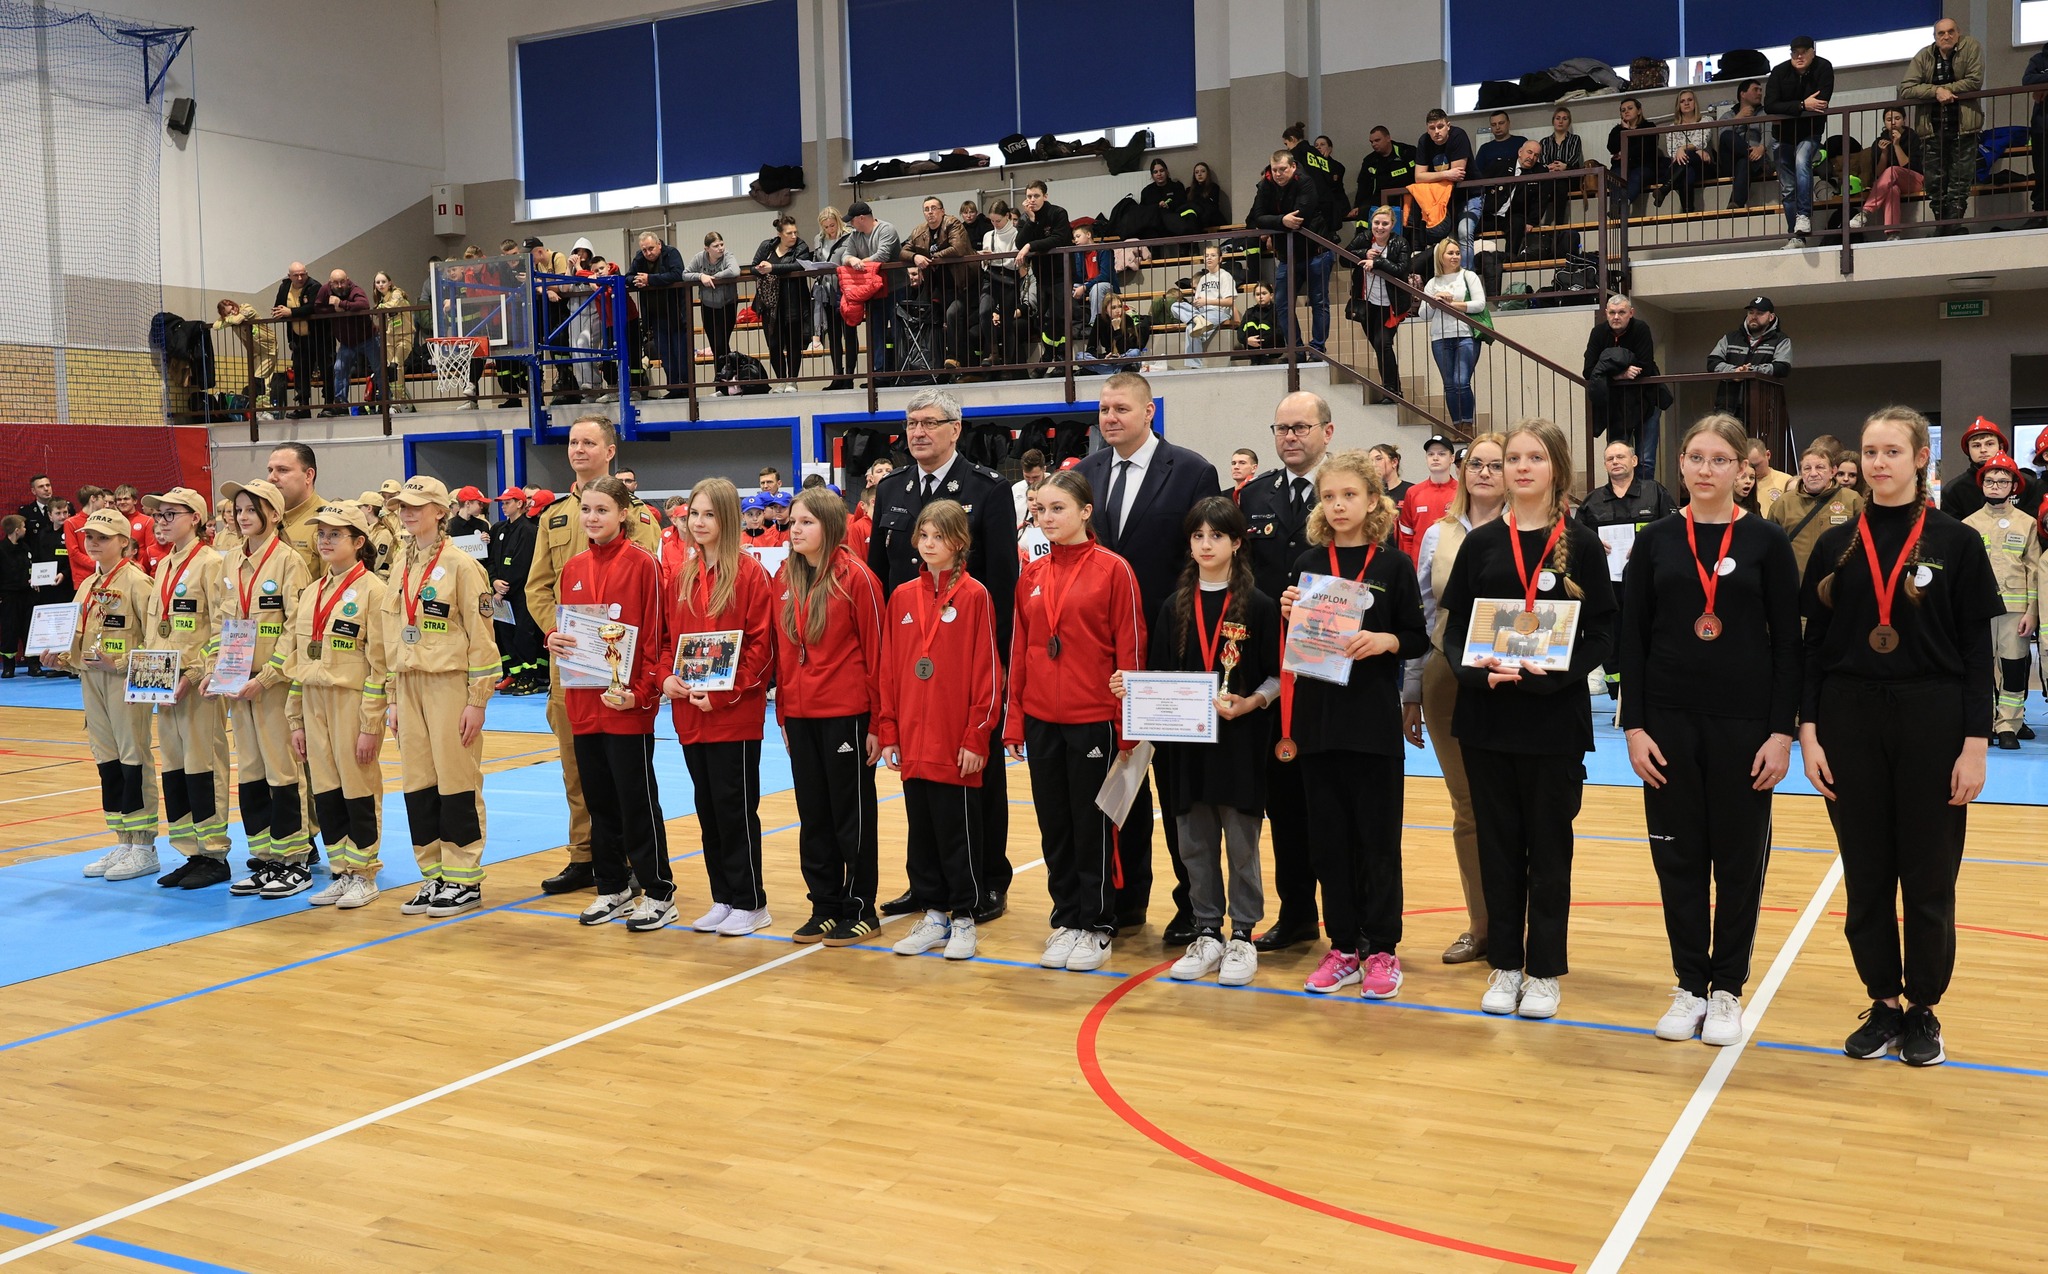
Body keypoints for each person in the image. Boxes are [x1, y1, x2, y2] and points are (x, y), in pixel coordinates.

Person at [1799, 406, 2001, 1067]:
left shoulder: (1956, 541)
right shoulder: (1836, 543)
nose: (1879, 462)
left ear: (1921, 459)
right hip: (1848, 718)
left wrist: (1975, 743)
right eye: (1870, 451)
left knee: (1929, 875)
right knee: (1866, 873)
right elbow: (1813, 648)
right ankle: (1883, 1001)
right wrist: (1809, 732)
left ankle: (1923, 1009)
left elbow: (1976, 652)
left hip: (1932, 718)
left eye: (1892, 451)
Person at [1619, 414, 1801, 1045]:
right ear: (1680, 465)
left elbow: (1789, 645)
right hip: (1668, 724)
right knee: (1679, 859)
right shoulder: (1656, 541)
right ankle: (1689, 985)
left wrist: (1781, 732)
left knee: (1739, 861)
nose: (1705, 469)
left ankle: (1726, 990)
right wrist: (1635, 726)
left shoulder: (1766, 542)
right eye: (1696, 457)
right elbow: (1632, 639)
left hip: (1745, 727)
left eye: (1720, 459)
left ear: (1742, 470)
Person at [1438, 418, 1618, 1020]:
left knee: (1548, 849)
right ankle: (1506, 966)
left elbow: (1604, 633)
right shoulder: (1481, 544)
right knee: (1497, 847)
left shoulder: (1582, 543)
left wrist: (1558, 676)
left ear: (1556, 469)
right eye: (1512, 457)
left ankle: (1542, 971)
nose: (1520, 467)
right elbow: (1454, 632)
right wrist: (1476, 672)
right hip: (1488, 718)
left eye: (1534, 458)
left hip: (1552, 721)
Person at [1073, 371, 1223, 940]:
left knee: (1177, 788)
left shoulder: (1191, 471)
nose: (1110, 418)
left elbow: (1201, 560)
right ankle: (1125, 899)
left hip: (1171, 653)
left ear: (1148, 411)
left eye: (1121, 408)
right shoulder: (1086, 473)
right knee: (1121, 782)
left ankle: (1193, 905)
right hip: (1102, 657)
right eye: (1103, 409)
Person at [865, 392, 1018, 922]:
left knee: (980, 776)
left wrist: (997, 667)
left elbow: (1002, 582)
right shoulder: (892, 488)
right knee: (921, 781)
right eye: (911, 423)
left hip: (967, 660)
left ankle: (987, 878)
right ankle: (926, 882)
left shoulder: (987, 488)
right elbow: (880, 577)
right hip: (910, 654)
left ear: (956, 428)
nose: (918, 431)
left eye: (930, 422)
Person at [1280, 453, 1427, 996]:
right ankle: (1342, 946)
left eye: (1349, 495)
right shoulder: (1307, 563)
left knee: (1378, 843)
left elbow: (1416, 636)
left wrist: (1386, 641)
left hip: (1372, 725)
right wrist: (1287, 610)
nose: (1338, 505)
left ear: (1372, 500)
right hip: (1317, 723)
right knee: (1329, 844)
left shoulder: (1393, 566)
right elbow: (1293, 643)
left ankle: (1383, 949)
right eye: (1328, 497)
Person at [1122, 497, 1278, 985]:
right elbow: (1158, 677)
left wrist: (1251, 702)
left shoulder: (1260, 605)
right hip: (1186, 750)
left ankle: (1243, 935)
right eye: (1197, 536)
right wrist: (1132, 688)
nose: (1206, 545)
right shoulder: (1174, 606)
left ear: (1237, 543)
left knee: (1242, 846)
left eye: (1216, 536)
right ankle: (1207, 929)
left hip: (1241, 744)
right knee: (1194, 844)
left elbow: (1278, 675)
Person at [1004, 469, 1145, 972]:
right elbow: (1021, 651)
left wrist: (1128, 726)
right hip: (1042, 719)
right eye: (1040, 509)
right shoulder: (1032, 574)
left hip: (1095, 719)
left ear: (1086, 511)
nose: (1047, 518)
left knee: (1092, 824)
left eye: (1058, 508)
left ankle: (1097, 922)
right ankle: (1066, 916)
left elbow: (1131, 649)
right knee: (1054, 824)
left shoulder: (1114, 570)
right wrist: (1015, 721)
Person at [522, 415, 662, 893]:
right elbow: (538, 587)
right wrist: (554, 633)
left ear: (610, 451)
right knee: (577, 768)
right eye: (573, 442)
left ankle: (633, 860)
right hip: (571, 665)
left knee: (626, 773)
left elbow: (649, 591)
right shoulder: (554, 517)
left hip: (622, 664)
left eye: (588, 442)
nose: (578, 449)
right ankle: (588, 856)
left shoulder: (641, 518)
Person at [876, 499, 1001, 961]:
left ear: (960, 543)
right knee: (922, 831)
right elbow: (889, 668)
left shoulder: (975, 596)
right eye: (924, 536)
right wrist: (889, 730)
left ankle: (965, 917)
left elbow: (988, 671)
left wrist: (976, 735)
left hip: (955, 741)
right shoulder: (902, 597)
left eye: (939, 537)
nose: (929, 545)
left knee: (958, 833)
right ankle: (934, 914)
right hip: (913, 738)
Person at [552, 477, 673, 933]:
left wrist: (641, 693)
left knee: (637, 802)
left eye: (602, 510)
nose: (592, 517)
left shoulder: (644, 565)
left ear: (623, 514)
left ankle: (658, 891)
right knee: (599, 802)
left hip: (627, 707)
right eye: (586, 509)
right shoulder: (573, 567)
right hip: (584, 704)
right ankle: (612, 886)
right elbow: (570, 631)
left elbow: (658, 635)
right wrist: (554, 639)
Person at [1405, 434, 1507, 963]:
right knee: (1467, 807)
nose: (1484, 472)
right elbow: (1424, 616)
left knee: (1513, 806)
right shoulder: (1437, 534)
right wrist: (1412, 689)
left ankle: (1520, 924)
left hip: (1516, 678)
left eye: (1496, 464)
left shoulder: (1534, 530)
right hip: (1447, 675)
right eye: (1476, 464)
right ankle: (1481, 924)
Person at [1239, 391, 1334, 952]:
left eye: (1301, 427)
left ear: (1327, 431)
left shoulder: (1347, 490)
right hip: (1272, 675)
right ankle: (1296, 913)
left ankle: (1349, 920)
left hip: (1332, 672)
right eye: (1282, 428)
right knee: (1284, 803)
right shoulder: (1255, 495)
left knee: (1332, 803)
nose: (1291, 436)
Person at [660, 478, 776, 936]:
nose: (700, 522)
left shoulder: (750, 574)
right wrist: (666, 677)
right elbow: (666, 640)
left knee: (735, 809)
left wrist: (726, 694)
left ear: (727, 519)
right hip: (691, 713)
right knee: (707, 809)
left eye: (709, 514)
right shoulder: (681, 576)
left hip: (733, 716)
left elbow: (762, 648)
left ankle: (751, 901)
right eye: (694, 513)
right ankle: (723, 897)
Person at [383, 476, 499, 918]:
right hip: (408, 683)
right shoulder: (401, 564)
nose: (407, 513)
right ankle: (433, 874)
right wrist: (392, 696)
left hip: (449, 684)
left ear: (440, 511)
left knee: (456, 781)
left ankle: (463, 877)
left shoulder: (462, 565)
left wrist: (477, 700)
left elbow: (482, 637)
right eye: (402, 506)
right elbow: (392, 633)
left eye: (416, 506)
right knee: (418, 783)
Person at [776, 487, 886, 946]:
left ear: (831, 525)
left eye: (807, 522)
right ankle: (824, 905)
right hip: (801, 716)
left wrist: (879, 724)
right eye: (793, 522)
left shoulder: (858, 577)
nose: (795, 530)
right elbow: (784, 653)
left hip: (847, 715)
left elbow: (879, 656)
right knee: (814, 814)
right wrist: (784, 715)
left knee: (850, 815)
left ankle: (860, 908)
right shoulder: (785, 575)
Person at [285, 501, 390, 909]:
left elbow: (380, 664)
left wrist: (370, 725)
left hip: (351, 701)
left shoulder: (374, 592)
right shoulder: (311, 592)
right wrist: (295, 719)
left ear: (359, 541)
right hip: (313, 701)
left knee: (358, 788)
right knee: (326, 789)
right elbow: (299, 659)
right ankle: (341, 869)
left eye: (335, 534)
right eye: (321, 534)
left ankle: (364, 872)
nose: (325, 541)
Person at [211, 479, 313, 896]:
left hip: (273, 686)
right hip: (239, 687)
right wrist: (219, 670)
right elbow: (221, 622)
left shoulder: (289, 562)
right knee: (252, 773)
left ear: (273, 514)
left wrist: (266, 676)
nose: (243, 516)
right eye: (238, 510)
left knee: (282, 771)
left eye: (252, 509)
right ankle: (266, 857)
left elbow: (295, 627)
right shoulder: (230, 561)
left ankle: (296, 860)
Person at [46, 509, 160, 879]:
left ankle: (144, 845)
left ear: (124, 542)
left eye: (103, 537)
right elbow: (80, 638)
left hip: (124, 682)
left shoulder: (138, 583)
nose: (93, 543)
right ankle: (123, 839)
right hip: (91, 681)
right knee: (106, 759)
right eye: (89, 536)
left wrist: (122, 663)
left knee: (132, 758)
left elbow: (156, 640)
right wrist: (61, 659)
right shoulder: (87, 585)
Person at [133, 489, 229, 884]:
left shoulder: (212, 563)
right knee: (175, 771)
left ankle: (214, 854)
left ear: (195, 518)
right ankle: (190, 852)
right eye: (158, 515)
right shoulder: (163, 565)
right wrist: (145, 680)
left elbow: (222, 628)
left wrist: (195, 674)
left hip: (197, 686)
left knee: (204, 768)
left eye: (171, 514)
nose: (161, 521)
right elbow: (157, 631)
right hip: (164, 687)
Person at [1579, 438, 1677, 697]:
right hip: (1608, 588)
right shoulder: (1592, 501)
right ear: (1605, 465)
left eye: (1621, 457)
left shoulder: (1655, 493)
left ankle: (1649, 695)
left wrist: (1648, 546)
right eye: (1610, 458)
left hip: (1648, 585)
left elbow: (1674, 533)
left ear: (1634, 461)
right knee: (1613, 643)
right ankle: (1619, 698)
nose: (1615, 462)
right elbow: (1576, 541)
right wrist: (1593, 544)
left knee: (1649, 638)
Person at [1959, 454, 2037, 749]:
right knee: (1980, 669)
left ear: (2013, 486)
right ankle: (1985, 721)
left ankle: (2008, 725)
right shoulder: (1968, 525)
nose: (1995, 486)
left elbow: (2033, 571)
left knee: (2014, 668)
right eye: (1990, 481)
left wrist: (2032, 612)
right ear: (1981, 485)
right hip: (1979, 611)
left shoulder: (2027, 524)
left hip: (2016, 612)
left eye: (2003, 481)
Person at [1899, 18, 1984, 235]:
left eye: (1950, 32)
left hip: (1963, 127)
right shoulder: (1924, 56)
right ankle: (1942, 226)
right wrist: (1936, 92)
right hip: (1931, 129)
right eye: (1941, 33)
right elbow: (1906, 88)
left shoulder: (1971, 47)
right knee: (1934, 183)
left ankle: (1953, 226)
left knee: (1960, 180)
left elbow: (1975, 81)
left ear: (1958, 33)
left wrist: (1944, 89)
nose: (1946, 36)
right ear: (1935, 37)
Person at [1248, 149, 1332, 355]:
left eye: (1283, 169)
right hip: (1287, 256)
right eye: (1274, 169)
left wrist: (1274, 222)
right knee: (1282, 304)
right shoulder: (1265, 185)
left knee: (1319, 303)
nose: (1278, 174)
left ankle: (1317, 348)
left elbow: (1301, 216)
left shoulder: (1305, 181)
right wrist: (1282, 220)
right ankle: (1296, 350)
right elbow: (1256, 217)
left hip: (1316, 252)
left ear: (1293, 167)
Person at [1583, 294, 1668, 476]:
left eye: (1621, 312)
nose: (1616, 317)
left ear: (1631, 313)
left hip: (1646, 399)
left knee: (1645, 460)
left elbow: (1645, 366)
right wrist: (1621, 374)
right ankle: (1619, 494)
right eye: (1612, 313)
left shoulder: (1640, 329)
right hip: (1616, 405)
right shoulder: (1598, 333)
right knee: (1617, 458)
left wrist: (1607, 368)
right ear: (1606, 313)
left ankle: (1644, 494)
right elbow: (1589, 371)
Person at [1764, 36, 1835, 249]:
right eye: (1795, 52)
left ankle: (1803, 215)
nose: (1799, 56)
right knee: (1788, 188)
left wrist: (1789, 107)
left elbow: (1821, 101)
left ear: (1813, 52)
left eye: (1804, 52)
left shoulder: (1823, 67)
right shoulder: (1779, 71)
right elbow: (1770, 105)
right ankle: (1796, 236)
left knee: (1802, 161)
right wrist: (1803, 105)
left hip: (1810, 132)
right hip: (1782, 136)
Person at [1768, 442, 1865, 575]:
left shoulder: (1852, 500)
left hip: (1838, 581)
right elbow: (1770, 548)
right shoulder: (1783, 504)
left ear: (1833, 471)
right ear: (1801, 472)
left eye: (1820, 467)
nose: (1813, 473)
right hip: (1796, 582)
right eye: (1807, 468)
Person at [902, 196, 974, 370]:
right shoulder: (919, 231)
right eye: (926, 209)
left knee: (952, 314)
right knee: (931, 318)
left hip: (962, 284)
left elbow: (958, 248)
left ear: (942, 211)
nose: (930, 212)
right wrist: (915, 256)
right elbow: (903, 251)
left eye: (934, 208)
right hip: (937, 287)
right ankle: (934, 365)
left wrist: (932, 258)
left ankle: (954, 358)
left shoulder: (953, 224)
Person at [1348, 207, 1412, 398]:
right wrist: (1364, 254)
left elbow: (1401, 269)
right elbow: (1344, 257)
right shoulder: (1364, 238)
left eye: (1385, 223)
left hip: (1392, 304)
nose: (1380, 227)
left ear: (1392, 225)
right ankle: (1393, 387)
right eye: (1376, 223)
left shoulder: (1400, 242)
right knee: (1379, 346)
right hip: (1368, 304)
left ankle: (1391, 390)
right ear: (1371, 223)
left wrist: (1377, 262)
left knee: (1383, 343)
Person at [1421, 239, 1485, 431]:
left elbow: (1480, 304)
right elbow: (1424, 314)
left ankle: (1468, 425)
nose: (1455, 256)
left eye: (1457, 253)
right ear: (1440, 256)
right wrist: (1435, 300)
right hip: (1440, 338)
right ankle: (1457, 426)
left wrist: (1451, 305)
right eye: (1450, 253)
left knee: (1461, 382)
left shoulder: (1468, 276)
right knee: (1449, 385)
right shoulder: (1433, 282)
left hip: (1466, 335)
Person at [751, 214, 816, 390]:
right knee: (774, 345)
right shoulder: (767, 246)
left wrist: (772, 268)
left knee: (794, 343)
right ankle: (780, 380)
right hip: (770, 304)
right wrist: (760, 269)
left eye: (795, 232)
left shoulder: (801, 246)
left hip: (793, 301)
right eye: (789, 233)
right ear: (780, 234)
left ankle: (792, 380)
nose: (793, 236)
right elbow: (753, 266)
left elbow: (799, 265)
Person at [489, 486, 544, 694]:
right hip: (500, 593)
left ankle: (529, 676)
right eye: (502, 503)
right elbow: (492, 559)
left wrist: (504, 588)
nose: (503, 506)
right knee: (506, 634)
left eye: (507, 502)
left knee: (523, 634)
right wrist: (494, 581)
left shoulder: (528, 531)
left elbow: (523, 564)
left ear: (520, 504)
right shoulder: (499, 529)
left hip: (520, 592)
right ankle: (515, 673)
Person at [839, 201, 902, 378]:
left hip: (896, 288)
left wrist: (860, 262)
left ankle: (902, 371)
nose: (850, 224)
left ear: (861, 218)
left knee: (898, 330)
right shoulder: (855, 235)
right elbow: (845, 255)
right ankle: (879, 373)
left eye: (852, 220)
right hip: (873, 291)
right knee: (875, 332)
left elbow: (882, 255)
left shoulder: (886, 229)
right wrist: (852, 260)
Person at [1707, 295, 1792, 421]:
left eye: (1760, 313)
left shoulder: (1780, 340)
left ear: (1771, 317)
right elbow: (1712, 362)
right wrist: (1734, 372)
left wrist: (1751, 371)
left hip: (1761, 409)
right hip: (1727, 408)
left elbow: (1782, 368)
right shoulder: (1730, 338)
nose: (1754, 316)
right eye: (1751, 312)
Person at [627, 232, 689, 399]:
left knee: (681, 354)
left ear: (659, 245)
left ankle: (687, 389)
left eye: (651, 248)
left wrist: (650, 279)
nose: (648, 253)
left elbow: (677, 274)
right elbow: (628, 277)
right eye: (644, 250)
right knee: (666, 356)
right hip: (656, 316)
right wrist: (637, 281)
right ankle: (674, 389)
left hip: (677, 314)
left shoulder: (672, 253)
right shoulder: (639, 258)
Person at [271, 261, 334, 415]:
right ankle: (303, 406)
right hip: (298, 338)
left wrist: (290, 312)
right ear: (289, 276)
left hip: (320, 337)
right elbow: (279, 306)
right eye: (296, 275)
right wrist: (281, 313)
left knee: (327, 371)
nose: (300, 278)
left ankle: (329, 404)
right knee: (300, 372)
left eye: (303, 274)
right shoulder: (284, 287)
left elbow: (312, 307)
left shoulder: (315, 286)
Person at [314, 269, 380, 415]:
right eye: (336, 283)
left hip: (368, 338)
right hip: (346, 342)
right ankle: (341, 405)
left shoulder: (355, 290)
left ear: (347, 280)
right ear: (330, 283)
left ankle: (384, 401)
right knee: (339, 369)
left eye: (342, 282)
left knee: (379, 368)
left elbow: (363, 304)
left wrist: (342, 304)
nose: (339, 285)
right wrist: (333, 310)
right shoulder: (325, 290)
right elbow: (317, 308)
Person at [1848, 109, 1924, 234]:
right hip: (1890, 181)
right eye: (1889, 120)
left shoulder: (1912, 137)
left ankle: (1865, 212)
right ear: (1884, 122)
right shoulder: (1880, 141)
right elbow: (1878, 174)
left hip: (1914, 179)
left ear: (1904, 120)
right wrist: (1884, 153)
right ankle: (1892, 234)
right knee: (1892, 190)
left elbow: (1910, 166)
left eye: (1897, 119)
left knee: (1892, 170)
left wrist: (1896, 145)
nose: (1893, 123)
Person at [1414, 109, 1476, 257]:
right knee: (1439, 239)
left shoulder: (1458, 135)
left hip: (1468, 194)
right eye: (1432, 128)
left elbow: (1457, 174)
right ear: (1427, 129)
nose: (1436, 131)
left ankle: (1467, 272)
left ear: (1448, 125)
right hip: (1442, 198)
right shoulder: (1424, 141)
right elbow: (1418, 177)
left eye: (1440, 126)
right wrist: (1446, 174)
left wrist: (1432, 176)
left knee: (1464, 232)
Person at [266, 442, 327, 581]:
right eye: (270, 470)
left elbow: (335, 585)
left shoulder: (328, 520)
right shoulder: (263, 519)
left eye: (282, 470)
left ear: (308, 475)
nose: (272, 478)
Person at [1173, 245, 1237, 369]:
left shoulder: (1225, 276)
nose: (1209, 258)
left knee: (1191, 328)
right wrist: (1196, 304)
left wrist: (1207, 301)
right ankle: (1198, 319)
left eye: (1213, 255)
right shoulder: (1203, 279)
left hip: (1218, 311)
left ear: (1220, 259)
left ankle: (1195, 367)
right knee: (1175, 306)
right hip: (1201, 311)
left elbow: (1229, 301)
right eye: (1206, 256)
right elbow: (1198, 300)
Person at [813, 210, 858, 388]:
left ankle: (850, 376)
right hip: (827, 290)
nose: (830, 230)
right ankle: (837, 375)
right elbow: (816, 258)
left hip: (846, 289)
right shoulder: (819, 239)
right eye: (826, 227)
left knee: (849, 334)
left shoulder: (850, 236)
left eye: (832, 225)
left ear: (838, 222)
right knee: (833, 335)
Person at [1398, 435, 1460, 561]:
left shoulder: (1463, 492)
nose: (1435, 458)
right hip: (1419, 564)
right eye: (1431, 454)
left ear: (1452, 458)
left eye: (1441, 454)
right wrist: (1410, 563)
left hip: (1453, 564)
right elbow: (1406, 535)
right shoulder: (1413, 492)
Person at [1655, 91, 1717, 213]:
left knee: (1688, 156)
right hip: (1684, 166)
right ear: (1678, 106)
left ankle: (1665, 189)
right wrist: (1696, 151)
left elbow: (1701, 142)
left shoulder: (1706, 120)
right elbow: (1672, 153)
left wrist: (1682, 149)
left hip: (1704, 167)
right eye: (1682, 101)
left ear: (1695, 103)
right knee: (1688, 171)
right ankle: (1688, 211)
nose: (1686, 103)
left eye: (1690, 100)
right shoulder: (1671, 128)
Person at [1716, 81, 1775, 210]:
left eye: (1760, 90)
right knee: (1727, 134)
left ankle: (1736, 204)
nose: (1760, 93)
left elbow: (1768, 131)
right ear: (1743, 94)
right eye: (1755, 90)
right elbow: (1721, 136)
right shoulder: (1728, 115)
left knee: (1744, 161)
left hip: (1752, 159)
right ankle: (1761, 161)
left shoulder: (1764, 113)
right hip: (1731, 162)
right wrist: (1738, 118)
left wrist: (1761, 148)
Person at [1940, 417, 2014, 520]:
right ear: (1968, 450)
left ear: (2001, 447)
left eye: (1989, 444)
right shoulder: (1954, 490)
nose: (1983, 450)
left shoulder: (2025, 484)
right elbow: (1950, 528)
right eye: (1976, 445)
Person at [689, 231, 742, 370]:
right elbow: (685, 274)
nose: (720, 248)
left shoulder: (728, 256)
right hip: (707, 304)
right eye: (716, 246)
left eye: (721, 244)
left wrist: (715, 277)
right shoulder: (699, 258)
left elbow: (735, 271)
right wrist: (701, 276)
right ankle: (726, 375)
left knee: (721, 342)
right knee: (715, 343)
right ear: (707, 248)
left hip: (727, 304)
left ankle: (724, 376)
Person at [215, 298, 281, 410]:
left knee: (259, 378)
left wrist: (227, 319)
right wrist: (227, 319)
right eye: (229, 312)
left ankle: (264, 408)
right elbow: (215, 326)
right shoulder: (232, 320)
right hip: (256, 353)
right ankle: (262, 408)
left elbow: (238, 320)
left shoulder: (246, 308)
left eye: (233, 308)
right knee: (262, 381)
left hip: (269, 349)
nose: (233, 312)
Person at [1352, 126, 1417, 231]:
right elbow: (1363, 186)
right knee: (1364, 211)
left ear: (1388, 138)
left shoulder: (1407, 152)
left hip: (1407, 198)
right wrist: (1358, 206)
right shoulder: (1370, 161)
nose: (1374, 144)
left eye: (1377, 140)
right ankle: (1362, 239)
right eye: (1371, 142)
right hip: (1380, 199)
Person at [372, 272, 415, 411]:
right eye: (378, 282)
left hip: (404, 337)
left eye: (383, 281)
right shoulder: (382, 300)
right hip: (390, 339)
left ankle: (399, 400)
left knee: (395, 365)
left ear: (390, 283)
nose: (380, 285)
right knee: (389, 370)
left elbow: (394, 304)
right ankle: (397, 399)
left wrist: (380, 308)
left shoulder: (397, 294)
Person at [1536, 107, 1585, 225]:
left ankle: (1558, 225)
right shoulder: (1545, 142)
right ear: (1553, 121)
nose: (1561, 121)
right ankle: (1537, 222)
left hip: (1569, 177)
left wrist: (1564, 166)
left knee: (1561, 184)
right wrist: (1553, 167)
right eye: (1558, 118)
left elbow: (1573, 159)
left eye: (1564, 118)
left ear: (1569, 122)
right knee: (1548, 185)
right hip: (1550, 177)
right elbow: (1543, 161)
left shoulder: (1575, 139)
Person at [1083, 294, 1149, 373]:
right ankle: (1117, 370)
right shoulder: (1100, 321)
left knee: (1135, 352)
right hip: (1109, 359)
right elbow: (1090, 348)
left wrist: (1117, 329)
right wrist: (1104, 357)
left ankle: (1107, 370)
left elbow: (1127, 348)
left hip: (1123, 357)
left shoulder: (1127, 319)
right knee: (1081, 356)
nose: (1118, 310)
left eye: (1120, 306)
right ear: (1106, 310)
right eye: (1113, 308)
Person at [0, 515, 31, 678]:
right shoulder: (1, 549)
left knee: (28, 629)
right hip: (9, 597)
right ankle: (8, 666)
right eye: (24, 527)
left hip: (26, 595)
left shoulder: (25, 548)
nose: (26, 529)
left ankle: (33, 664)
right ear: (17, 530)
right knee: (9, 631)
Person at [1747, 438, 1796, 510]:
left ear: (1768, 455)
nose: (1752, 470)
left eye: (1756, 465)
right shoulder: (1739, 484)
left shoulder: (1787, 481)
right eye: (1748, 465)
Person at [1238, 282, 1278, 364]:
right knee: (1250, 325)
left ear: (1271, 295)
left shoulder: (1277, 310)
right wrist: (1247, 340)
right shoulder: (1250, 312)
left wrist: (1261, 339)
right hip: (1252, 347)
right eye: (1257, 294)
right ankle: (1255, 360)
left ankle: (1263, 358)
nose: (1260, 297)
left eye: (1264, 293)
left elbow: (1280, 332)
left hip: (1273, 346)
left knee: (1263, 325)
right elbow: (1240, 332)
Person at [1186, 161, 1230, 230]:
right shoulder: (1189, 190)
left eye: (1203, 171)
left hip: (1212, 220)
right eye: (1196, 172)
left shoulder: (1213, 187)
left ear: (1207, 173)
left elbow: (1213, 207)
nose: (1199, 174)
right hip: (1196, 222)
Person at [1372, 443, 1412, 508]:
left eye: (1379, 459)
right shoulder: (1370, 492)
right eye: (1370, 461)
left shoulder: (1411, 491)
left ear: (1394, 462)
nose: (1373, 464)